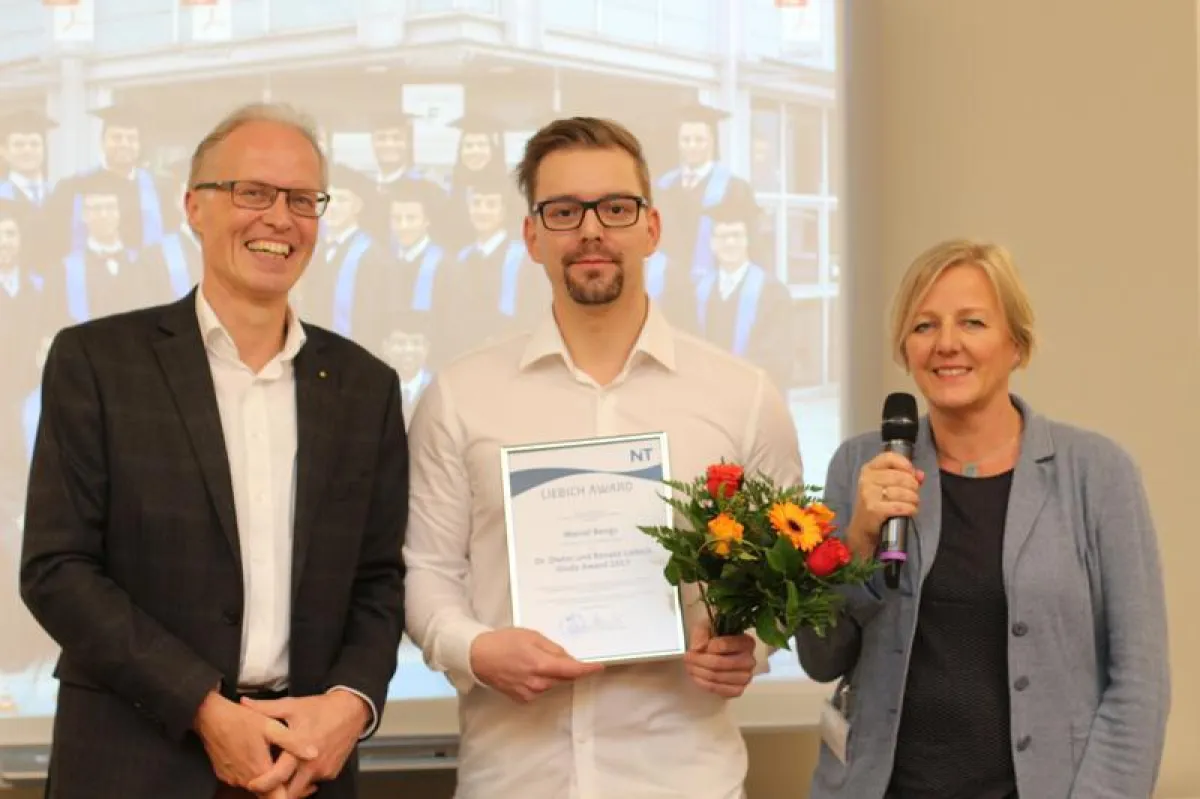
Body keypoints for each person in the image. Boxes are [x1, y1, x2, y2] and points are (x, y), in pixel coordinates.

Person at [402, 115, 803, 798]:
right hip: (515, 779)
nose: (592, 230)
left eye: (615, 208)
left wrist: (751, 646)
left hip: (685, 780)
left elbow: (782, 576)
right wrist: (476, 648)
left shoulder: (741, 396)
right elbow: (427, 573)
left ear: (652, 226)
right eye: (564, 211)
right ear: (531, 235)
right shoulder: (461, 397)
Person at [20, 102, 408, 799]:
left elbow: (379, 579)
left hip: (303, 767)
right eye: (252, 193)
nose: (279, 219)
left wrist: (351, 701)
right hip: (131, 761)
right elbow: (56, 568)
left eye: (301, 199)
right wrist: (202, 706)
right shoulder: (98, 362)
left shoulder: (366, 386)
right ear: (194, 207)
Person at [796, 239, 1170, 799]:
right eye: (924, 326)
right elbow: (819, 657)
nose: (947, 344)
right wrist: (857, 542)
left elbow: (1140, 682)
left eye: (972, 322)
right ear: (905, 348)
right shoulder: (860, 464)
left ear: (1016, 344)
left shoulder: (1097, 472)